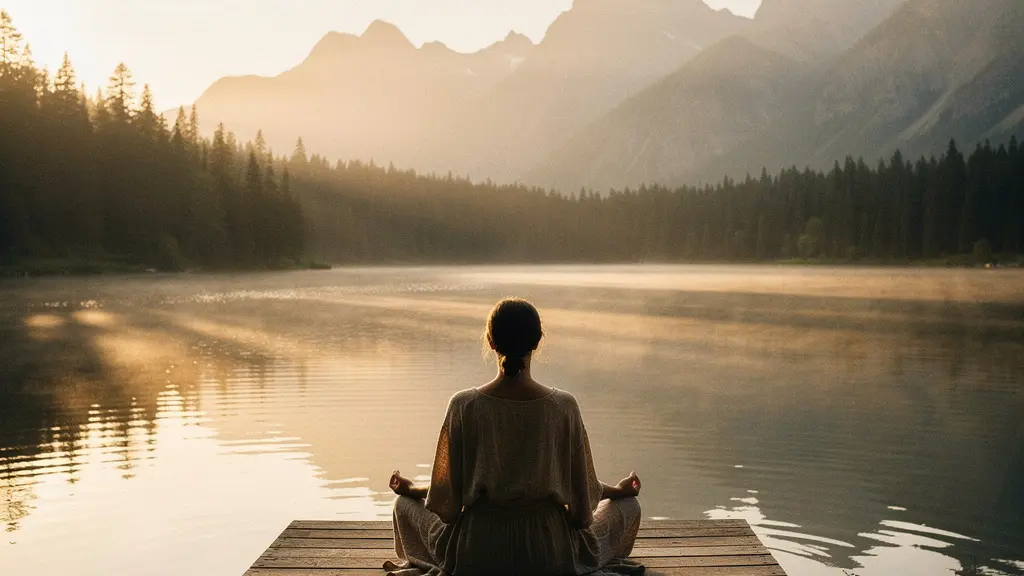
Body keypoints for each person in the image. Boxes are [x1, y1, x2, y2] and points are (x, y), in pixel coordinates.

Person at [386, 298, 644, 576]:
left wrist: (411, 491)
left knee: (403, 505)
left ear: (491, 341)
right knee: (629, 506)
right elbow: (582, 509)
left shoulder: (463, 405)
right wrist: (619, 493)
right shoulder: (563, 406)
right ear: (537, 342)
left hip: (478, 555)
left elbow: (448, 502)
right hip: (549, 556)